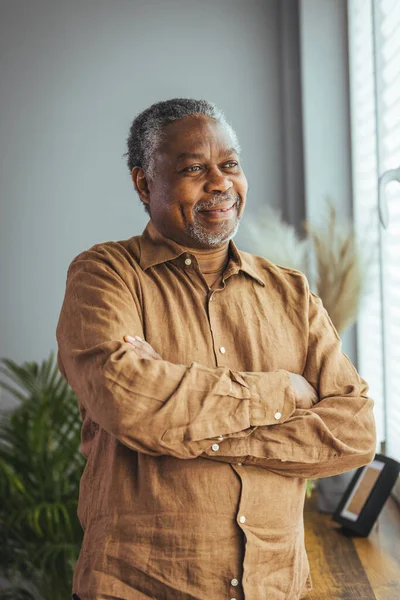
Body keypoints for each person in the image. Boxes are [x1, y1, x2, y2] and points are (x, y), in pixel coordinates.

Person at [56, 98, 377, 600]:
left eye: (229, 164)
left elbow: (356, 431)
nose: (220, 182)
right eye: (193, 168)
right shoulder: (105, 275)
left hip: (274, 587)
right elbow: (129, 401)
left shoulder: (291, 293)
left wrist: (190, 429)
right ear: (144, 183)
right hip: (139, 586)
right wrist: (284, 393)